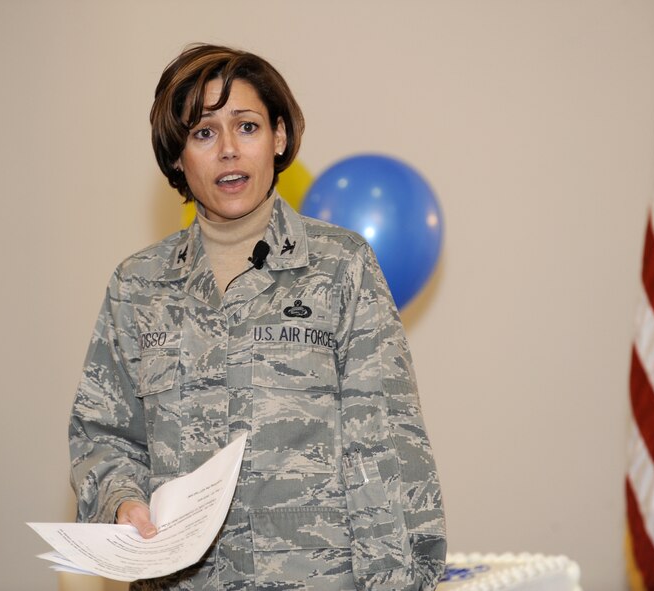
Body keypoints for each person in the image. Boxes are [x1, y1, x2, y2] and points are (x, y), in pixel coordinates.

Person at [69, 43, 446, 590]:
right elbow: (103, 435)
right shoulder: (138, 286)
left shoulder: (341, 266)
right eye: (203, 133)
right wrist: (121, 501)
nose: (227, 150)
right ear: (178, 156)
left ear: (279, 138)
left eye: (246, 127)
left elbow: (386, 446)